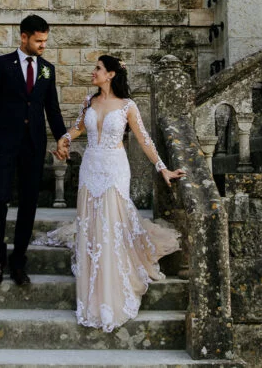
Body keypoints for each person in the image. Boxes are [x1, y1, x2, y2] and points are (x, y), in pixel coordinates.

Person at [43, 55, 185, 332]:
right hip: (90, 168)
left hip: (115, 169)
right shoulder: (89, 101)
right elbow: (77, 127)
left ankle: (112, 291)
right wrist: (65, 140)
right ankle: (92, 290)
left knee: (111, 226)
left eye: (97, 68)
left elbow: (144, 138)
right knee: (92, 228)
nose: (92, 72)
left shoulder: (127, 106)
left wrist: (162, 168)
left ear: (110, 74)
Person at [0, 14, 67, 287]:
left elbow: (51, 109)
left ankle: (19, 261)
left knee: (29, 204)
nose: (43, 46)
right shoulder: (2, 64)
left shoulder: (47, 69)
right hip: (3, 144)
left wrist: (61, 137)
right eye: (38, 41)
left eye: (45, 41)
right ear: (24, 37)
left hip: (33, 145)